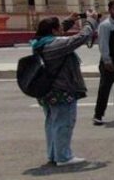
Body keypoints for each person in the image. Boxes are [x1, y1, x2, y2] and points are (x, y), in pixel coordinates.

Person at [32, 10, 99, 166]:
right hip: (62, 89)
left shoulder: (40, 43)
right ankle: (63, 156)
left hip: (47, 89)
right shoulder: (54, 45)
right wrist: (91, 21)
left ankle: (54, 154)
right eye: (59, 27)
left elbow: (57, 34)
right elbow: (80, 38)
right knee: (64, 122)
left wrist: (70, 21)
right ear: (54, 30)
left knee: (52, 122)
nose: (61, 29)